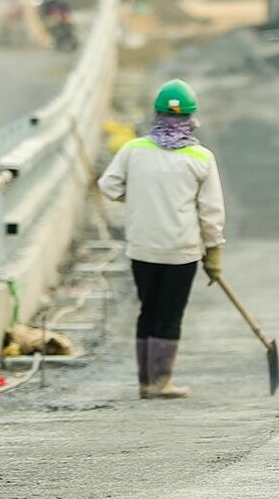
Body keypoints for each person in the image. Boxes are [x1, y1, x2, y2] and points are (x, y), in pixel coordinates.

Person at [96, 80, 227, 399]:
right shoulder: (200, 157)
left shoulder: (134, 149)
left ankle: (146, 382)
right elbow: (211, 212)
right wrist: (213, 254)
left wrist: (139, 198)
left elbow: (108, 186)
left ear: (155, 115)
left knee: (148, 311)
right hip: (180, 252)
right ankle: (161, 382)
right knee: (170, 315)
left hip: (142, 247)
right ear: (192, 118)